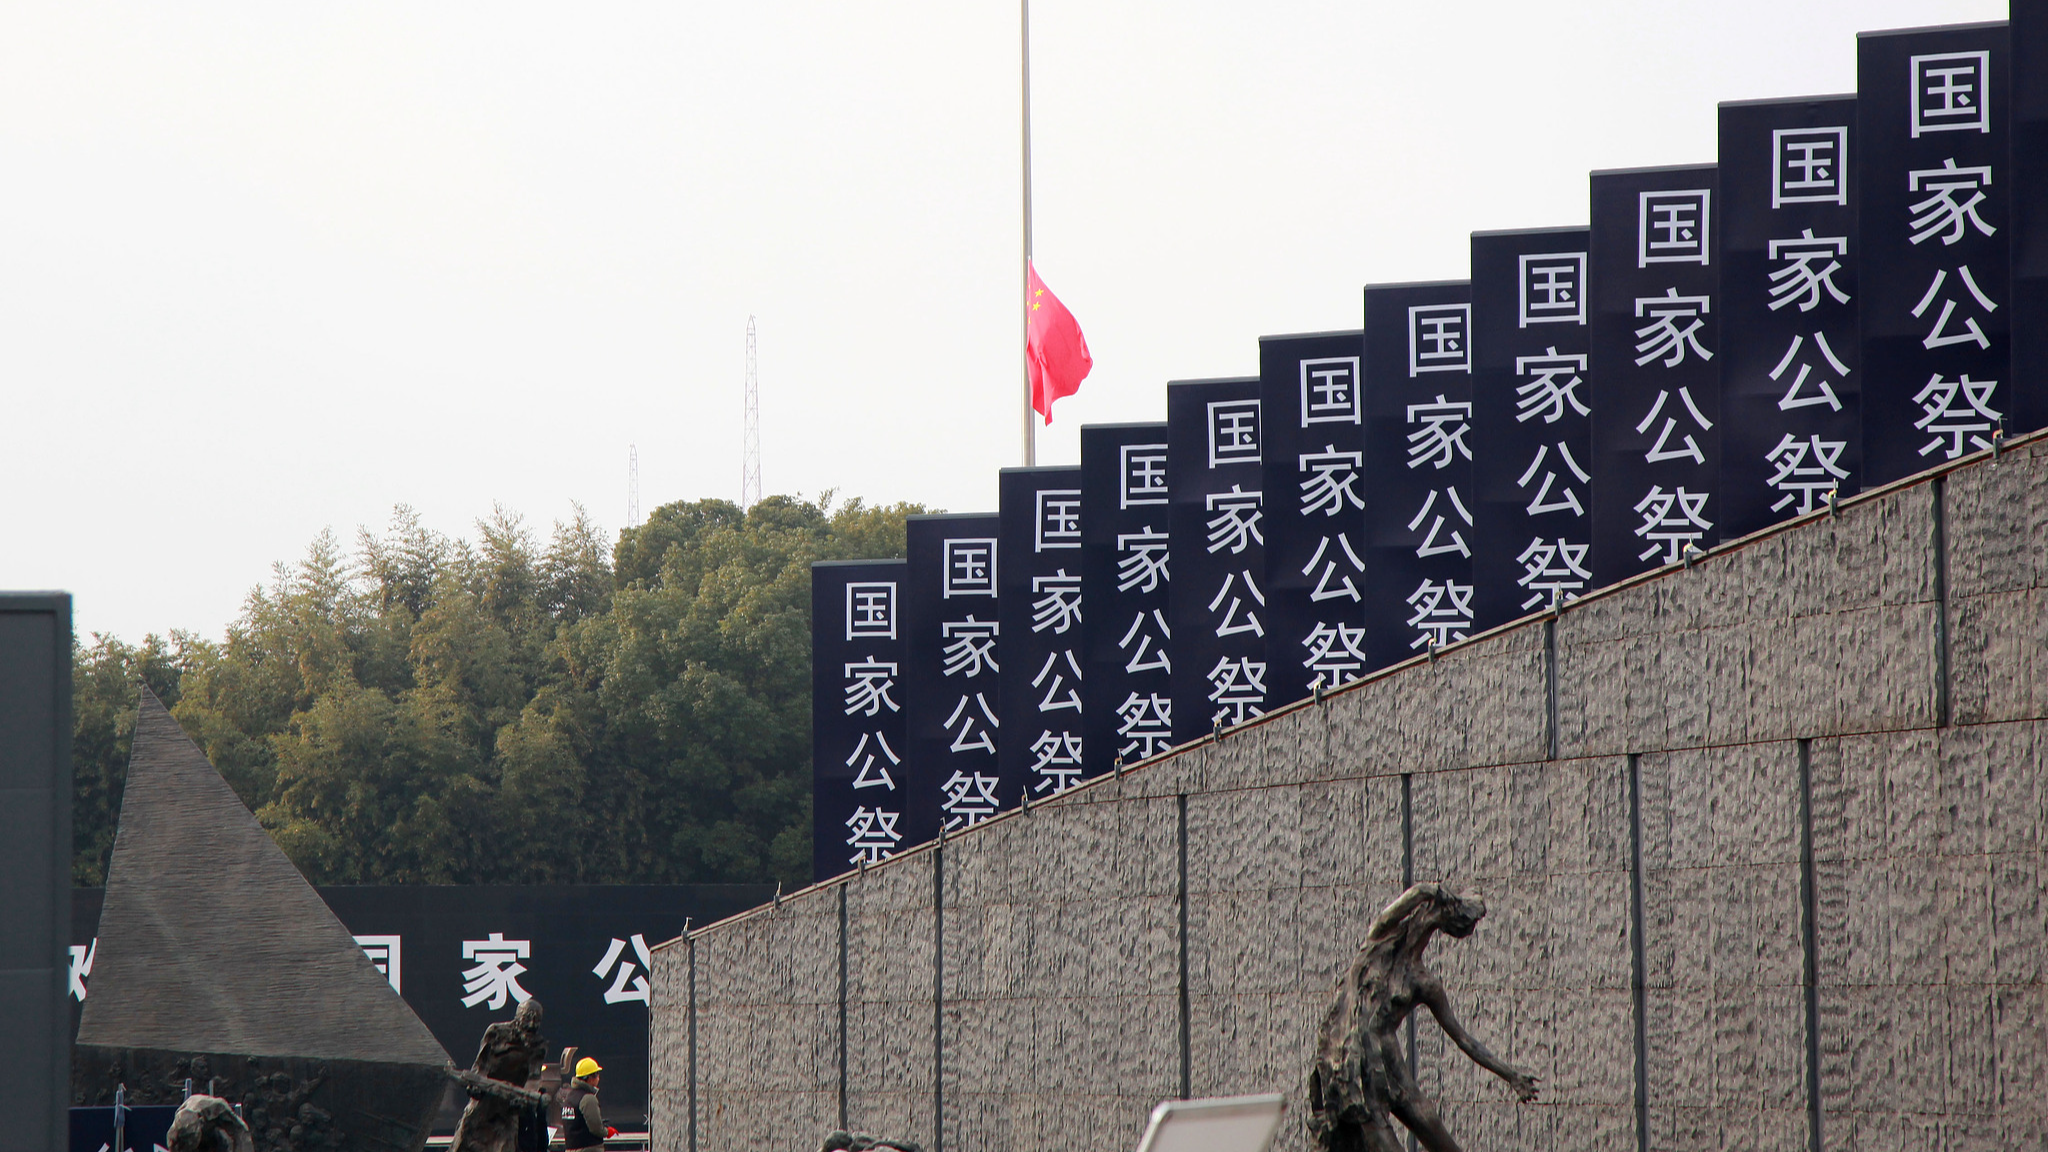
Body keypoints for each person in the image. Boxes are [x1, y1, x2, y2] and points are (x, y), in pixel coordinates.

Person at [1307, 883, 1538, 1152]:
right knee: (1383, 1142)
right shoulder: (1380, 936)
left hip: (1388, 1057)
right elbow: (1411, 898)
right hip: (1353, 1060)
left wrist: (1510, 1075)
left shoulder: (1424, 983)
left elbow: (1464, 1039)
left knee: (1430, 1123)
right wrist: (1434, 890)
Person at [557, 1056, 618, 1149]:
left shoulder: (569, 1097)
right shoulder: (588, 1098)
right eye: (597, 1074)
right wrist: (607, 1131)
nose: (598, 1078)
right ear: (590, 1077)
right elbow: (596, 1128)